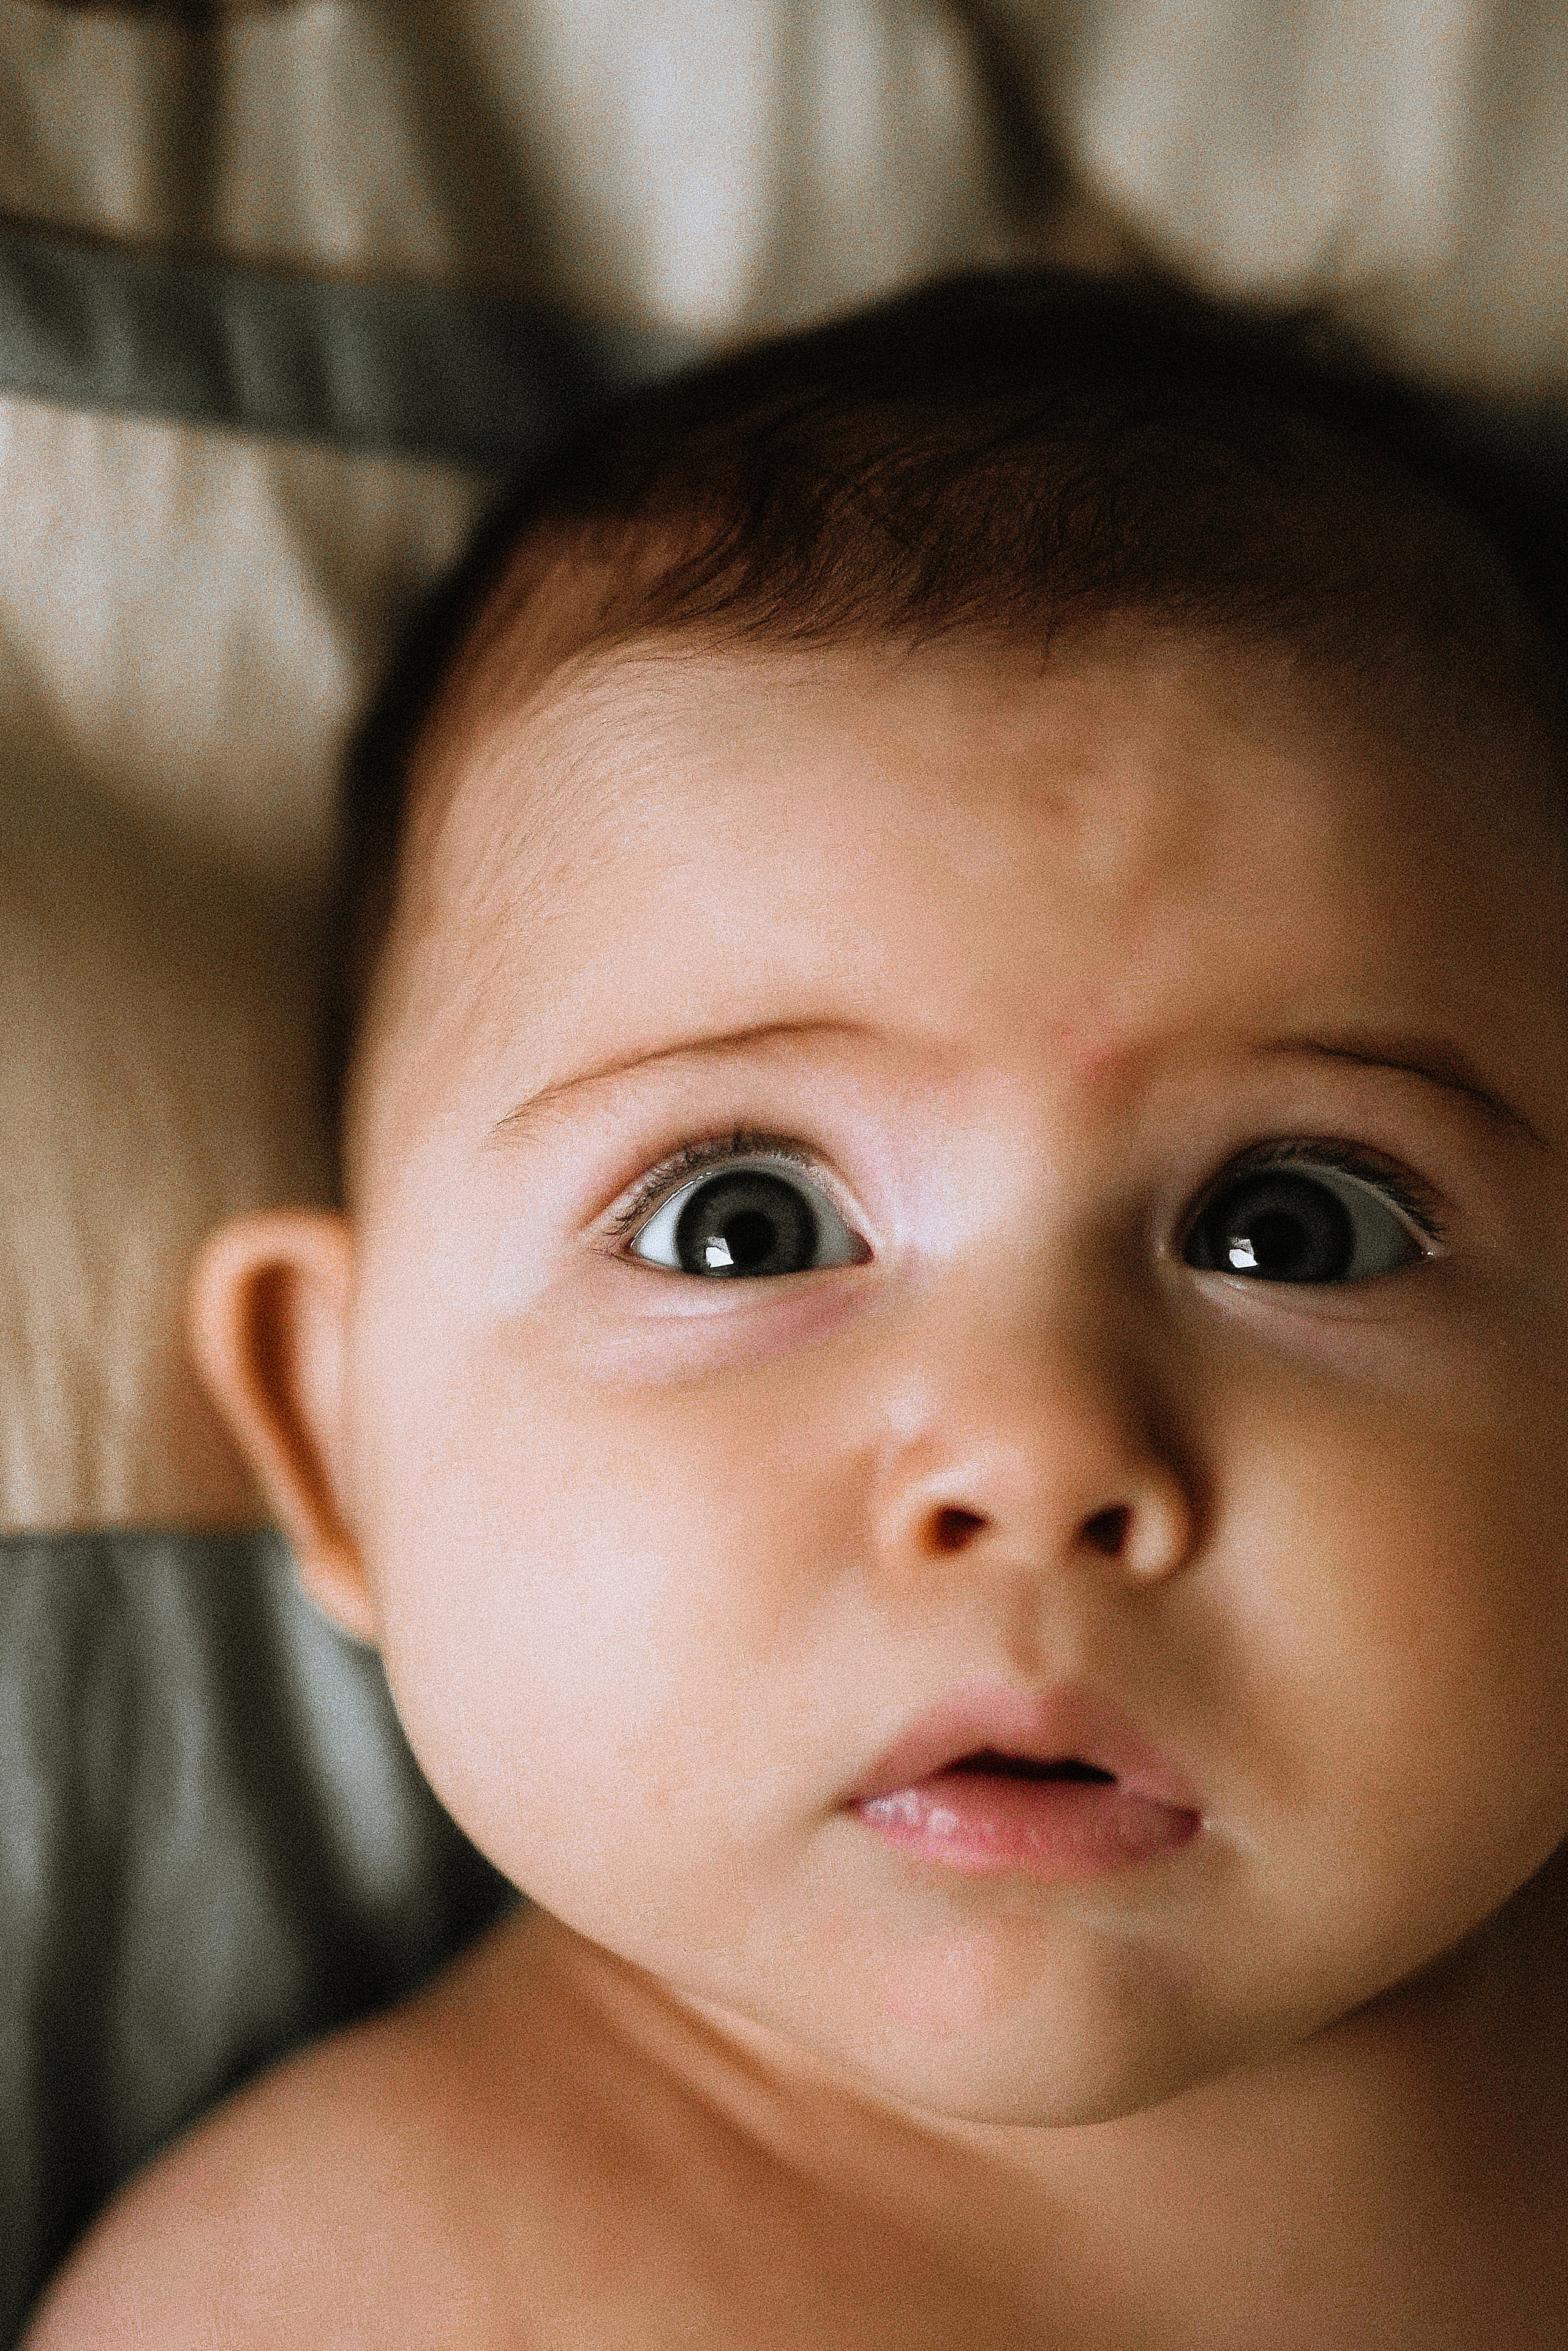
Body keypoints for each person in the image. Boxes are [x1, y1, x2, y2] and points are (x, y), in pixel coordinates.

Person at [26, 271, 1568, 2347]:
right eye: (740, 1223)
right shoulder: (344, 2296)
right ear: (334, 1431)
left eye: (1296, 1228)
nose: (1036, 1448)